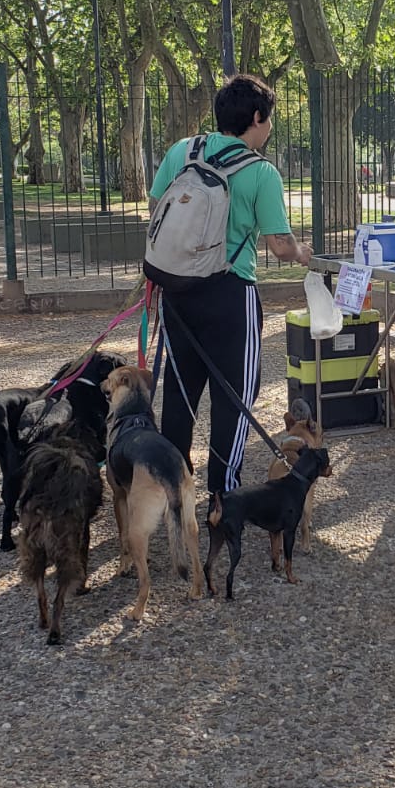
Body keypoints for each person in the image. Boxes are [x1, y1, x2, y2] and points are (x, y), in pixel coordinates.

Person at [150, 73, 313, 503]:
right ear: (257, 117)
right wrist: (302, 252)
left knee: (180, 393)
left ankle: (174, 493)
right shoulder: (260, 172)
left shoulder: (182, 152)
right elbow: (280, 246)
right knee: (234, 397)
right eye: (269, 119)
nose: (270, 127)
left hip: (177, 290)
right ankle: (223, 497)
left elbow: (157, 208)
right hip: (230, 293)